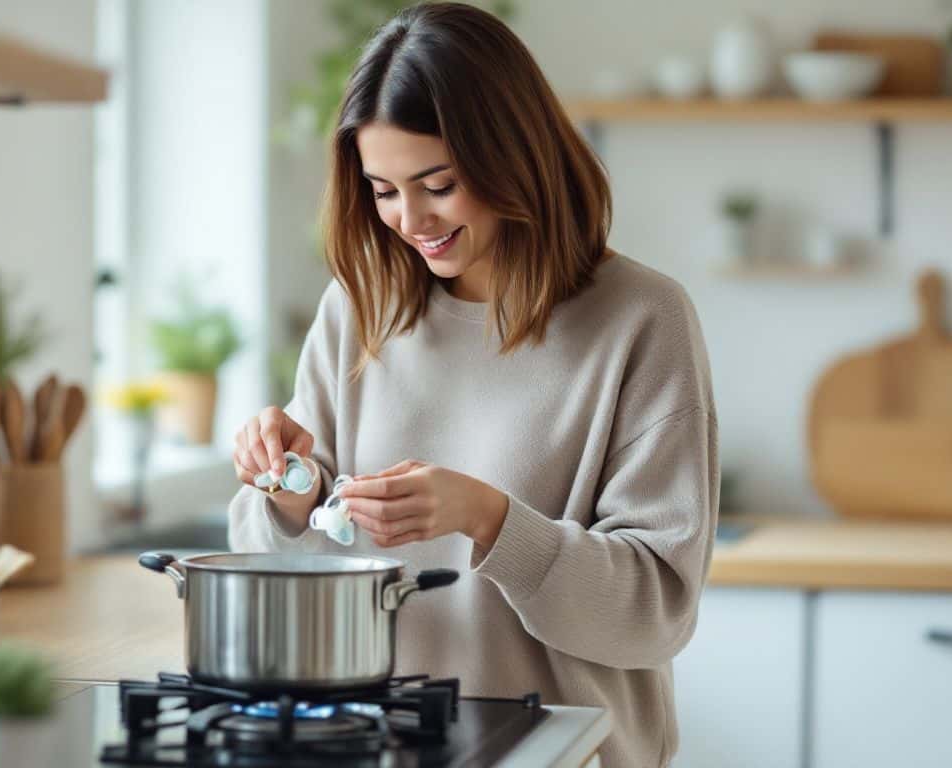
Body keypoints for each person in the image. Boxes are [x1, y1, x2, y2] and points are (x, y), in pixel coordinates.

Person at [227, 4, 717, 766]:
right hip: (377, 749)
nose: (410, 219)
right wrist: (288, 498)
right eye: (383, 190)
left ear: (512, 155)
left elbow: (654, 613)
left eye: (439, 184)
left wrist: (490, 520)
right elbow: (287, 565)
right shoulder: (360, 310)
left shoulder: (642, 319)